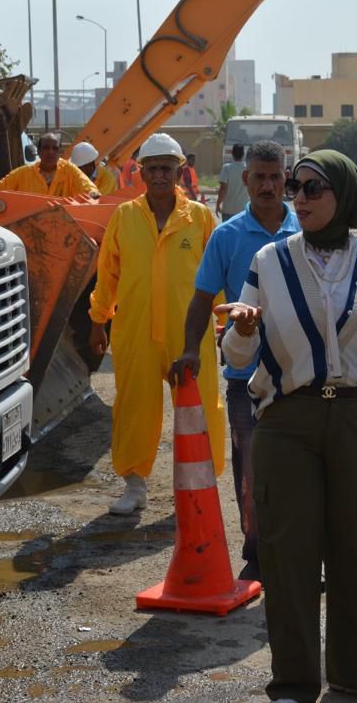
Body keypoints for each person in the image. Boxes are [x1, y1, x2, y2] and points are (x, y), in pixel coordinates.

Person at [220, 149, 357, 703]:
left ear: (345, 195)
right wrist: (239, 329)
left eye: (313, 188)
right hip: (286, 419)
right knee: (288, 555)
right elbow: (238, 355)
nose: (299, 198)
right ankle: (294, 682)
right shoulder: (269, 261)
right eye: (295, 187)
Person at [169, 140, 299, 583]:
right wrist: (191, 349)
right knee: (251, 474)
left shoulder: (305, 232)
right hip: (245, 379)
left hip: (298, 379)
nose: (267, 185)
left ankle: (301, 557)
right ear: (245, 180)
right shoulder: (226, 237)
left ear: (286, 178)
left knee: (299, 474)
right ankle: (258, 554)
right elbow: (202, 299)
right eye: (259, 177)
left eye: (275, 176)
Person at [88, 132, 224, 515]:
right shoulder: (125, 217)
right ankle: (134, 485)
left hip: (189, 334)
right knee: (134, 407)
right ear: (141, 173)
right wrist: (99, 320)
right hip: (135, 331)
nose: (161, 175)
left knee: (198, 409)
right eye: (153, 168)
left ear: (180, 171)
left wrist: (222, 322)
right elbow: (108, 274)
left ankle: (200, 486)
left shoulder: (199, 218)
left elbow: (214, 277)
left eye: (168, 168)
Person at [0, 131, 98, 198]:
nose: (50, 152)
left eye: (55, 148)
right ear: (39, 151)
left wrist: (92, 194)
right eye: (46, 148)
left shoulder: (70, 171)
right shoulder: (24, 173)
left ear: (60, 152)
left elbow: (87, 186)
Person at [216, 142, 250, 222]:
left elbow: (223, 189)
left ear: (232, 154)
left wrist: (218, 204)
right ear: (243, 154)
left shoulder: (227, 168)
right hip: (244, 209)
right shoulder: (248, 168)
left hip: (228, 209)